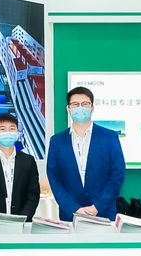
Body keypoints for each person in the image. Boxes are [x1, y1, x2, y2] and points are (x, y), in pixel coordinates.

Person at [46, 86, 125, 222]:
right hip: (70, 215)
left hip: (103, 213)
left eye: (85, 104)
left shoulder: (109, 137)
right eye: (75, 104)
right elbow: (54, 178)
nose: (80, 108)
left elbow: (117, 174)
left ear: (92, 107)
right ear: (68, 109)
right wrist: (74, 208)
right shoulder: (57, 141)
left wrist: (97, 206)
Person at [0, 113, 42, 222]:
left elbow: (33, 194)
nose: (7, 132)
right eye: (2, 129)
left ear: (17, 132)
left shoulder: (28, 161)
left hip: (21, 223)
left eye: (12, 129)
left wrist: (22, 219)